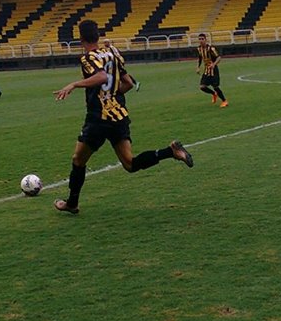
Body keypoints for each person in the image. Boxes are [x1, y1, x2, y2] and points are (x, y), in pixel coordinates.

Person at [52, 19, 194, 214]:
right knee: (129, 164)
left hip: (98, 118)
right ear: (98, 35)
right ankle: (170, 152)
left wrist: (74, 85)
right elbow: (127, 83)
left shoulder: (88, 57)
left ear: (81, 38)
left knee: (78, 160)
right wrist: (111, 96)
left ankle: (72, 203)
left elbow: (101, 77)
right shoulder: (112, 53)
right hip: (118, 115)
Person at [196, 33, 228, 107]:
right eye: (199, 39)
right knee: (202, 87)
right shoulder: (199, 49)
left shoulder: (211, 48)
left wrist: (213, 64)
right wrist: (197, 67)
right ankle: (214, 94)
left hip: (214, 70)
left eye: (202, 39)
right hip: (206, 70)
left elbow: (219, 57)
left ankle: (224, 101)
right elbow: (200, 58)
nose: (201, 41)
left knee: (215, 86)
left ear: (205, 40)